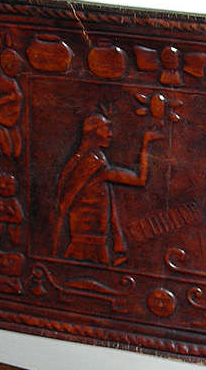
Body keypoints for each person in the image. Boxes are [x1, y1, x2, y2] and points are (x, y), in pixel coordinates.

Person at [56, 112, 162, 266]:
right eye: (106, 129)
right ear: (92, 133)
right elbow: (139, 180)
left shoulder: (81, 161)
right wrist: (145, 145)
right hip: (88, 245)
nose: (110, 134)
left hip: (89, 239)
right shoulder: (92, 164)